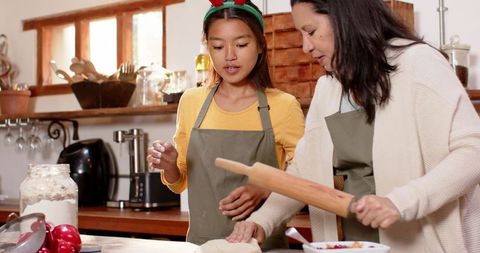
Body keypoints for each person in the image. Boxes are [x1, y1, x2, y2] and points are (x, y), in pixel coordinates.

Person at [226, 0, 480, 252]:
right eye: (301, 34)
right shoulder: (328, 87)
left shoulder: (419, 63)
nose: (305, 46)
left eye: (311, 32)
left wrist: (399, 202)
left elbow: (472, 152)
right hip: (350, 243)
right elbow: (304, 172)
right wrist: (262, 221)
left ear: (344, 18)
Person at [146, 0, 305, 250]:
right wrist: (169, 166)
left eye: (241, 44)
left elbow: (306, 181)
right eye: (217, 46)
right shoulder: (192, 101)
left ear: (261, 45)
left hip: (264, 248)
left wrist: (265, 187)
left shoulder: (284, 106)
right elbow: (179, 182)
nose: (229, 55)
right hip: (203, 247)